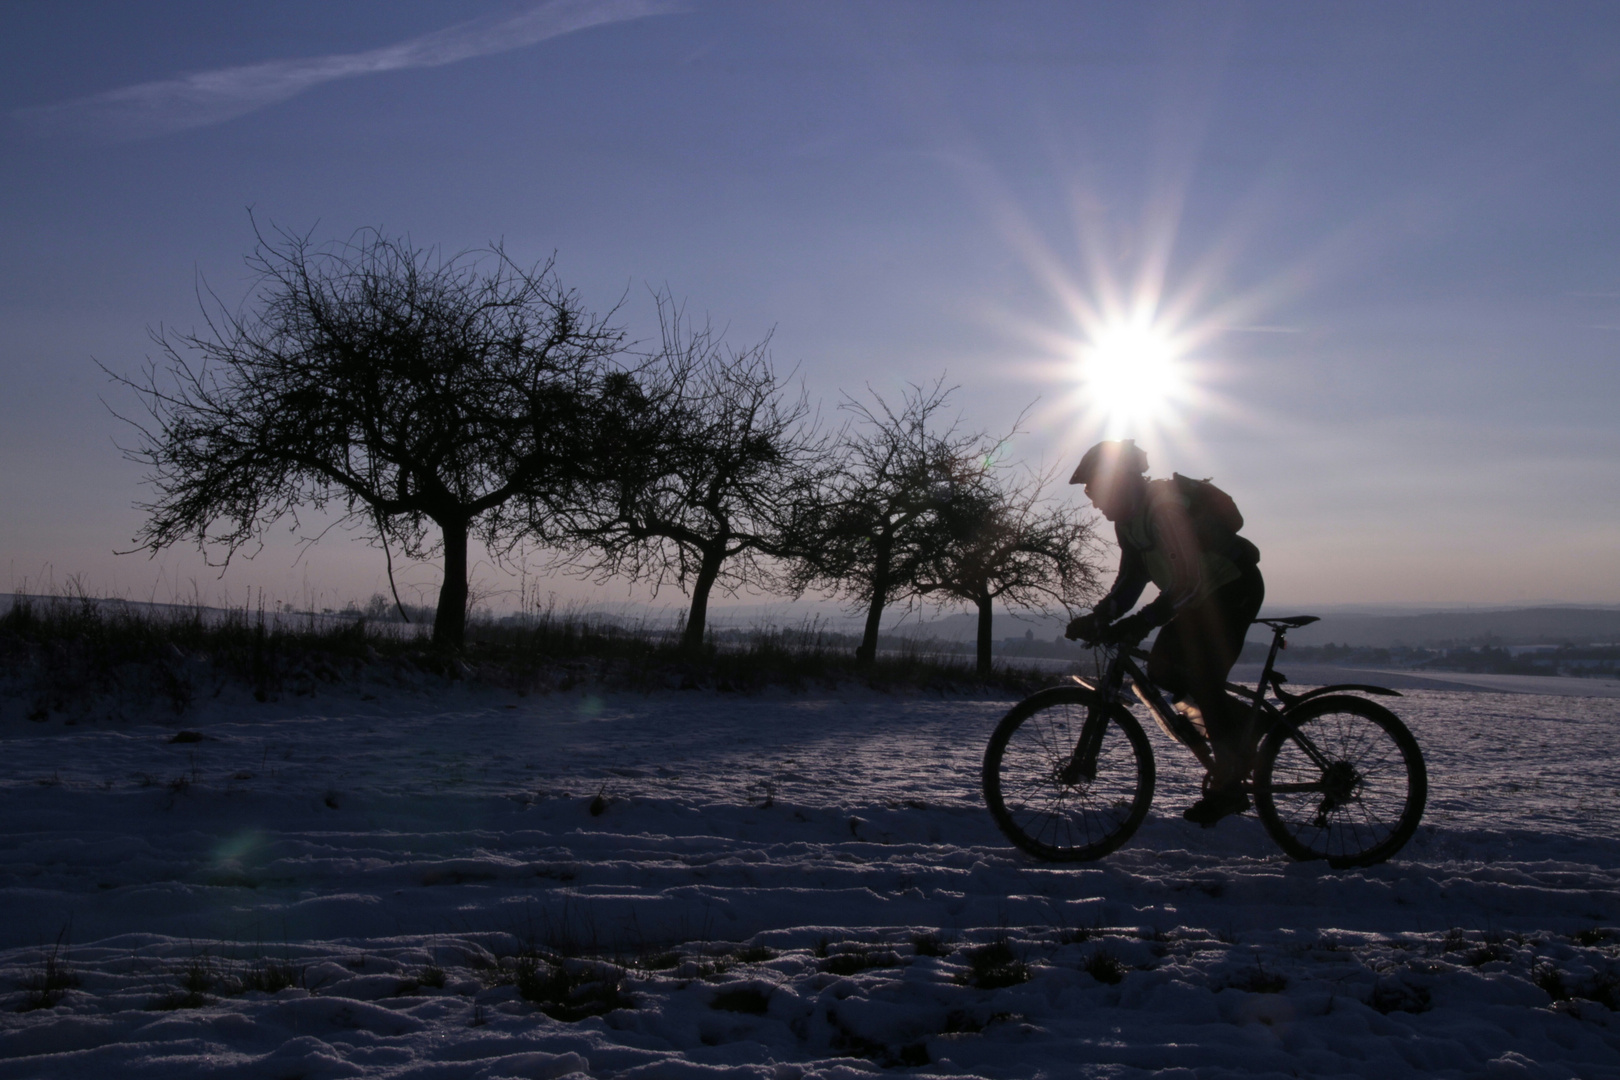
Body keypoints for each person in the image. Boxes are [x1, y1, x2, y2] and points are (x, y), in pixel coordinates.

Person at [1064, 439, 1265, 826]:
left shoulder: (1163, 508)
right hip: (1199, 600)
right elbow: (1131, 579)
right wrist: (1100, 616)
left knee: (1202, 676)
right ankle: (1241, 729)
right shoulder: (1131, 522)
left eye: (1095, 490)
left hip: (1232, 589)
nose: (1093, 502)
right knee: (1161, 671)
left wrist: (1143, 621)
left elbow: (1187, 580)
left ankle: (1230, 777)